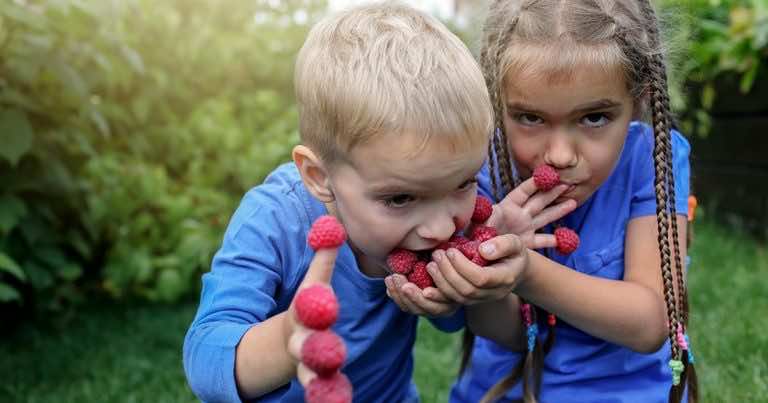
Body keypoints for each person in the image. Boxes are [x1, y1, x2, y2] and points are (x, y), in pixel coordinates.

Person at [182, 2, 573, 402]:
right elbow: (204, 358)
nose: (441, 228)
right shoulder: (275, 219)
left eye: (464, 183)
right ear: (320, 177)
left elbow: (490, 332)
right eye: (400, 198)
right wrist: (289, 337)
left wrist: (481, 276)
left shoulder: (442, 218)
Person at [390, 0, 698, 402]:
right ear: (499, 101)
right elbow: (507, 333)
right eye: (530, 118)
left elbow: (649, 323)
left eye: (595, 118)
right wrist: (481, 273)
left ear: (638, 99)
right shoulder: (483, 166)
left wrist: (524, 271)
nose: (560, 155)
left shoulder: (652, 160)